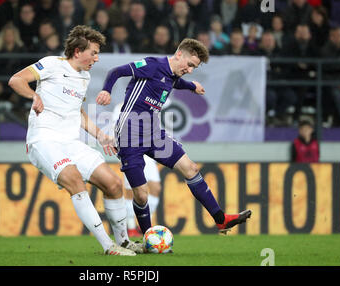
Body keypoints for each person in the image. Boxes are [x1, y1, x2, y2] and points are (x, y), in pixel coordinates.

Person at [96, 38, 252, 235]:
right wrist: (106, 90)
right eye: (190, 65)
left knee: (191, 168)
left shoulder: (172, 74)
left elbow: (176, 82)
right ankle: (148, 237)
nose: (190, 70)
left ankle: (221, 219)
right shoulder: (152, 65)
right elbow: (116, 72)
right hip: (129, 135)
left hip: (153, 133)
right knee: (142, 196)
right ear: (179, 54)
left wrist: (191, 86)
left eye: (194, 67)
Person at [8, 25, 141, 256]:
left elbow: (78, 112)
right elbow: (16, 80)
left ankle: (125, 242)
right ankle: (108, 247)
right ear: (78, 51)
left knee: (113, 184)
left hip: (71, 141)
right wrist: (34, 95)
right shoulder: (52, 64)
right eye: (94, 52)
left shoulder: (84, 77)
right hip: (44, 140)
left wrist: (100, 135)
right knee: (74, 179)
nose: (97, 58)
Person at [110, 103, 162, 237]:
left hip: (148, 148)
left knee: (155, 188)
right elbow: (117, 129)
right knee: (132, 191)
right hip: (131, 151)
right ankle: (131, 227)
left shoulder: (150, 101)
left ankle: (143, 224)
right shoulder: (120, 107)